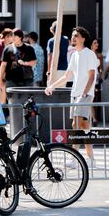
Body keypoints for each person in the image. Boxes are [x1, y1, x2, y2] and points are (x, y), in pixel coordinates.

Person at [45, 26, 98, 167]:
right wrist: (52, 86)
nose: (73, 38)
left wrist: (85, 93)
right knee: (85, 125)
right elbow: (67, 76)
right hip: (74, 93)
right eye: (72, 35)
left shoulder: (89, 54)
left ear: (83, 38)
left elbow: (92, 76)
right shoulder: (74, 55)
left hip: (85, 94)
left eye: (76, 35)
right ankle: (91, 158)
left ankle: (74, 159)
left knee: (75, 124)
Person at [0, 28, 36, 102]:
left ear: (20, 37)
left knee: (27, 102)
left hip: (26, 80)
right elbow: (3, 65)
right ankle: (13, 114)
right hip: (11, 80)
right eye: (11, 36)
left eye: (14, 36)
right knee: (12, 102)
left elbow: (34, 62)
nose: (12, 38)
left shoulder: (29, 48)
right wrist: (0, 78)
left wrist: (25, 63)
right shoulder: (7, 48)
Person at [46, 21, 70, 86]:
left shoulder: (51, 41)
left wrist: (48, 72)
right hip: (64, 68)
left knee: (51, 90)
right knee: (62, 91)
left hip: (54, 69)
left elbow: (50, 57)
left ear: (52, 30)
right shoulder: (66, 39)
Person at [90, 38, 104, 125]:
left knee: (95, 99)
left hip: (97, 79)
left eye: (97, 43)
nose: (97, 44)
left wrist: (101, 76)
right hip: (89, 78)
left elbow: (101, 68)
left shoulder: (99, 55)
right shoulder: (87, 54)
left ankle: (95, 117)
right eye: (95, 43)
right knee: (90, 99)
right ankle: (93, 118)